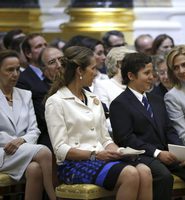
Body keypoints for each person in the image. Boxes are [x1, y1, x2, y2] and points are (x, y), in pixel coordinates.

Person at [45, 46, 152, 200]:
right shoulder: (55, 101)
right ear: (79, 71)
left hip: (101, 157)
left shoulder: (93, 98)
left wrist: (117, 151)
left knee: (144, 171)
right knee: (130, 174)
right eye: (93, 68)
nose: (95, 73)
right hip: (74, 164)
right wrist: (95, 155)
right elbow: (60, 149)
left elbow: (105, 138)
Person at [109, 52, 185, 200]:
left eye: (152, 72)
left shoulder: (157, 99)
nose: (152, 77)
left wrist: (181, 152)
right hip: (141, 156)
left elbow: (169, 129)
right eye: (147, 73)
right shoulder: (119, 104)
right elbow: (126, 139)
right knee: (163, 176)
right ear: (131, 76)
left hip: (167, 154)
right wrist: (157, 153)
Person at [0, 50, 56, 200]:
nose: (15, 74)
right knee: (44, 152)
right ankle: (54, 197)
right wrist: (13, 141)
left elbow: (34, 129)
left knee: (35, 169)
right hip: (3, 150)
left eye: (18, 69)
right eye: (9, 70)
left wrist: (22, 141)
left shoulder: (25, 94)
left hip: (22, 149)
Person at [16, 33, 51, 149]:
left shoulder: (54, 74)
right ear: (28, 53)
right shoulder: (22, 79)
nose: (44, 48)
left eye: (45, 44)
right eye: (38, 46)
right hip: (41, 134)